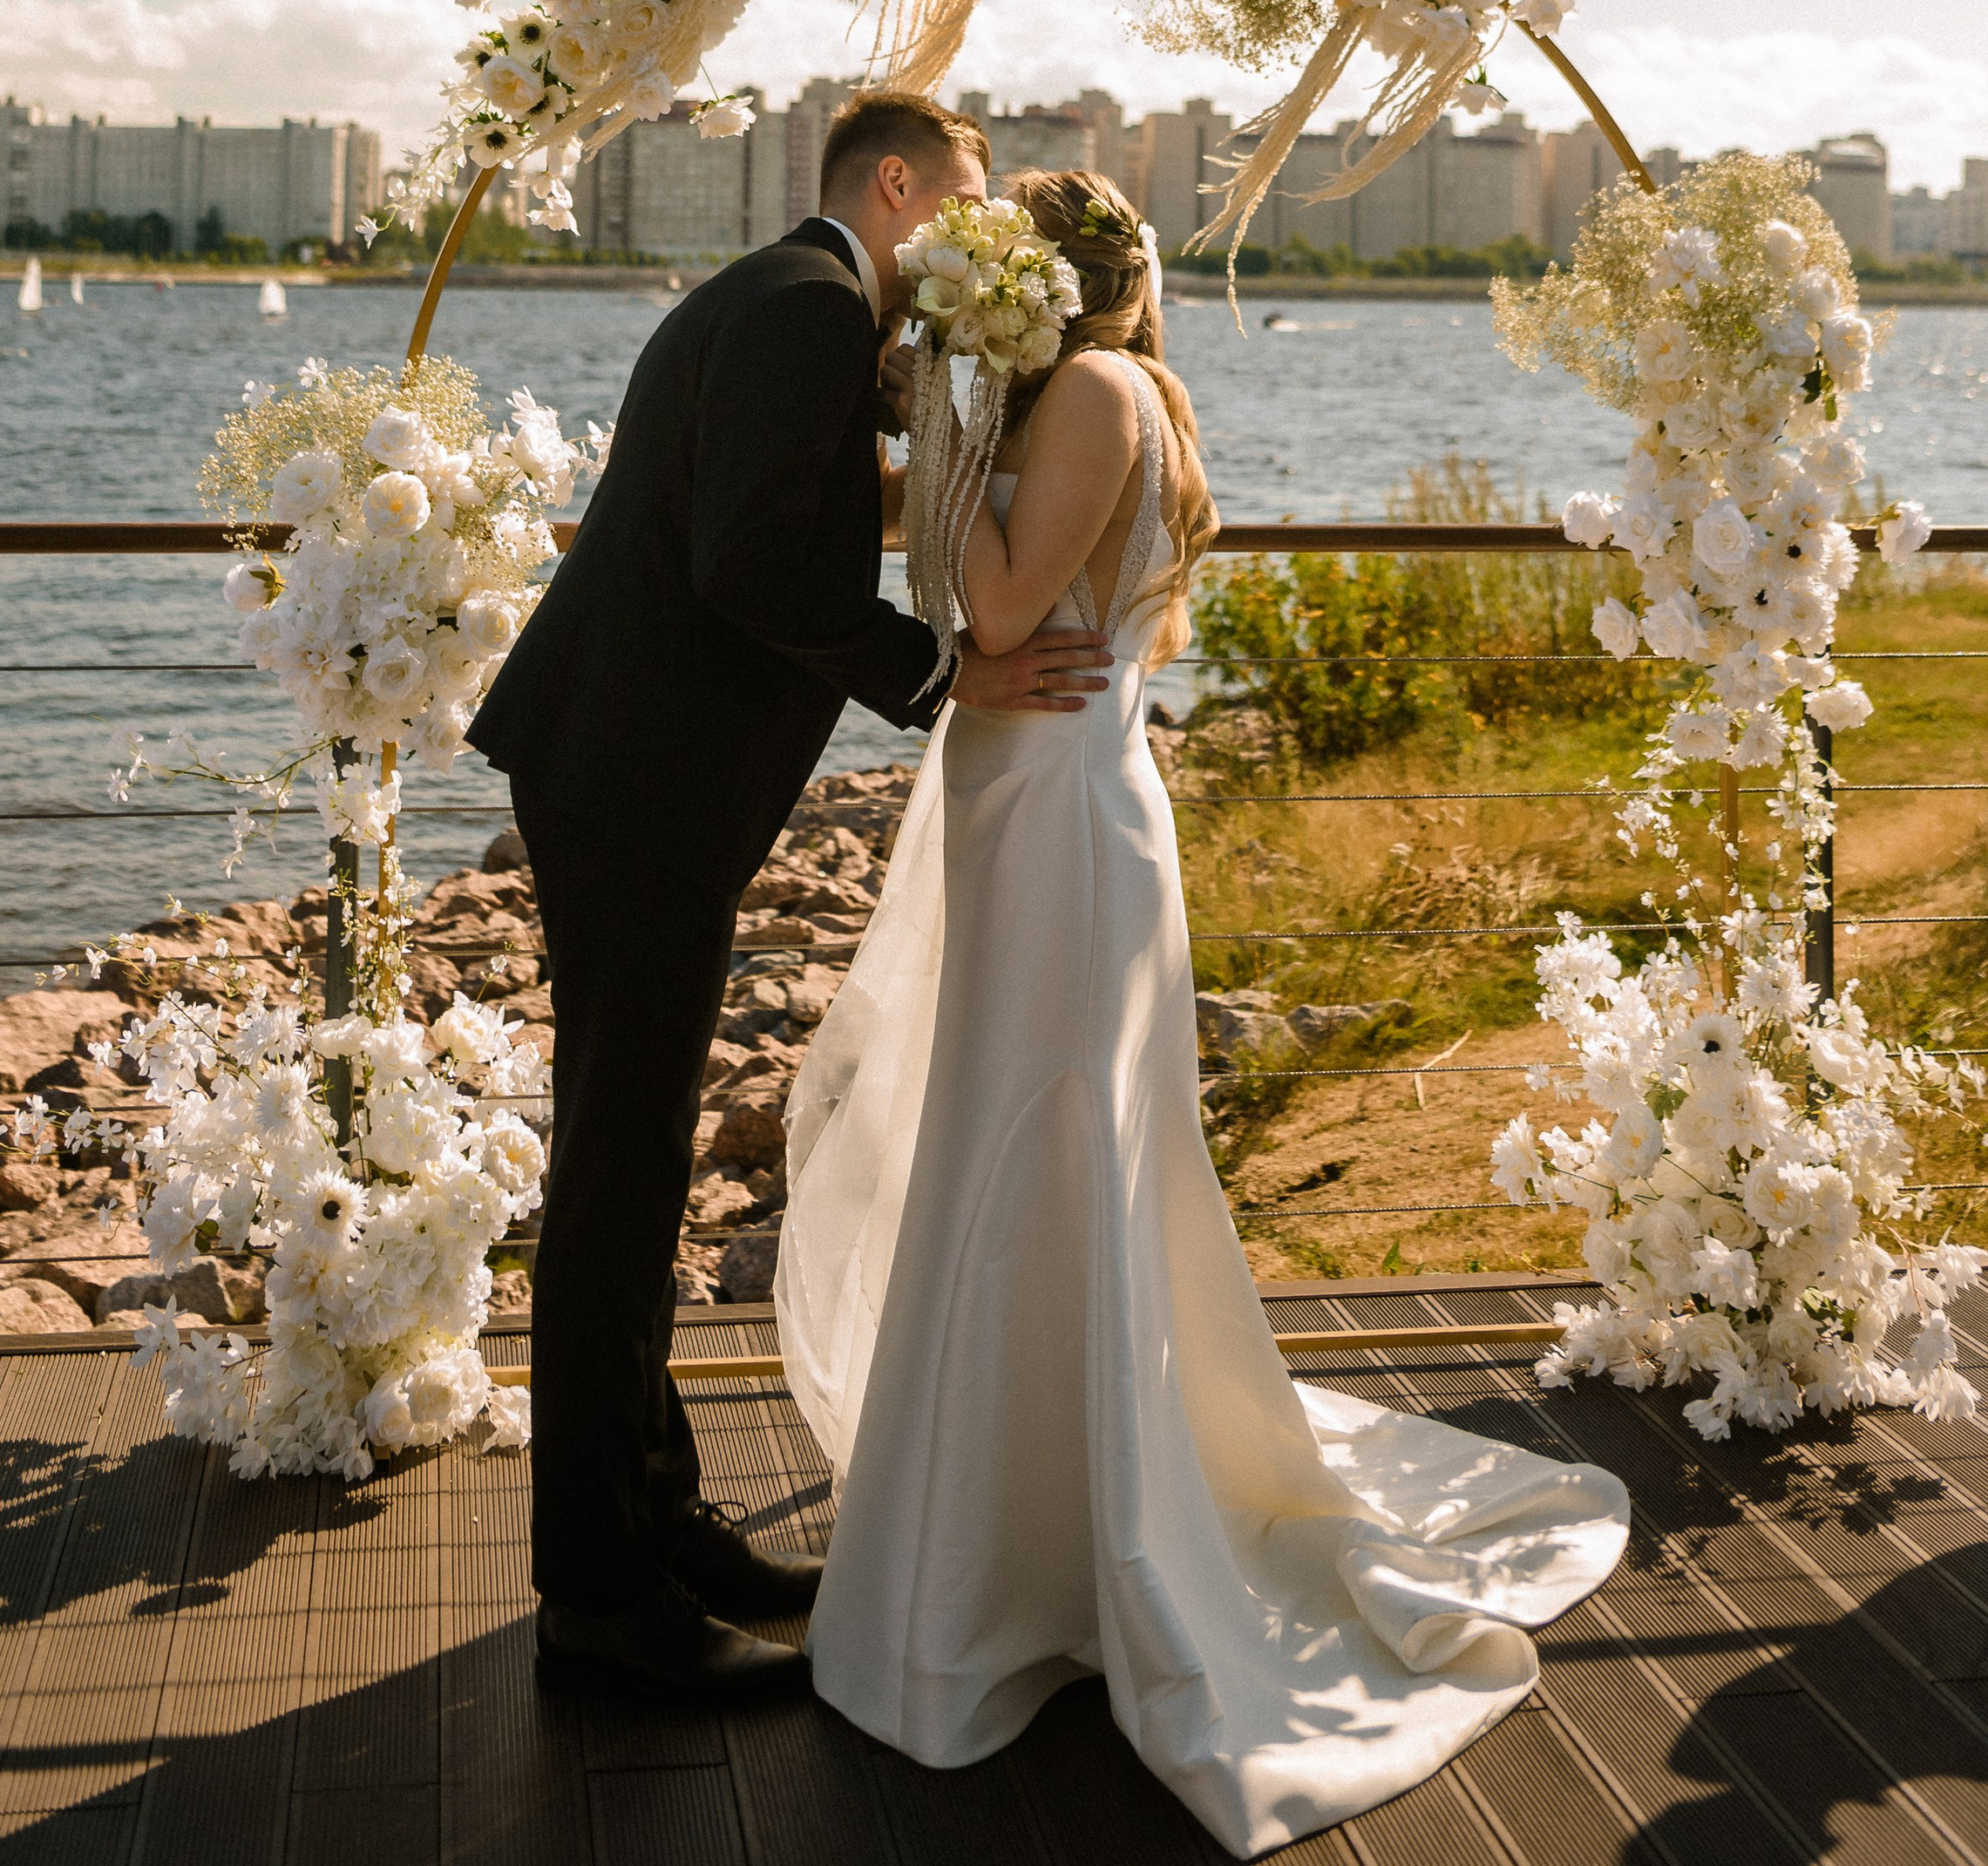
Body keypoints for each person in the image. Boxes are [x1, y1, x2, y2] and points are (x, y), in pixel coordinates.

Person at [777, 171, 1629, 1856]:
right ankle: (1009, 1525)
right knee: (1013, 1154)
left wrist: (942, 422)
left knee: (1046, 1153)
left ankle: (1077, 1538)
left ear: (1043, 288)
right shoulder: (1075, 394)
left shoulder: (1098, 390)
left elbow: (997, 612)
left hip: (1065, 821)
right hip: (1024, 799)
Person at [469, 93, 1115, 1707]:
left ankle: (663, 1527)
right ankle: (599, 1606)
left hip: (629, 772)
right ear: (895, 186)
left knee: (634, 1167)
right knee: (617, 1185)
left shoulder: (792, 298)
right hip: (636, 781)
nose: (975, 231)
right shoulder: (811, 310)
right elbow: (749, 562)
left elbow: (776, 517)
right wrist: (946, 676)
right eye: (963, 198)